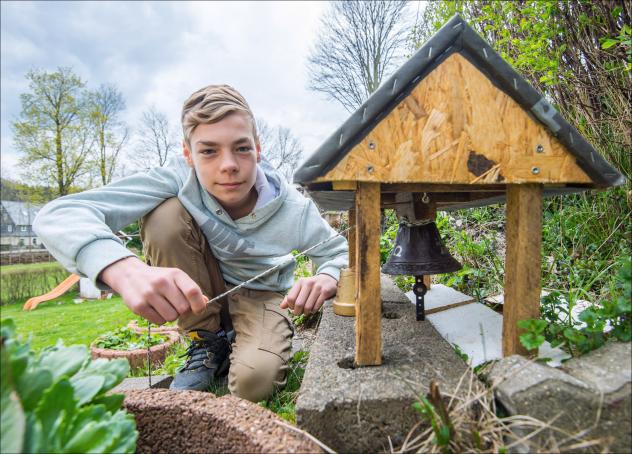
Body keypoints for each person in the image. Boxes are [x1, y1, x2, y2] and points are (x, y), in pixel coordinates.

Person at [33, 84, 348, 402]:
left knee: (256, 383)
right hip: (198, 292)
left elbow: (339, 252)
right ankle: (207, 340)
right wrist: (124, 270)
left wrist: (327, 276)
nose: (228, 165)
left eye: (241, 148)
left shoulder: (293, 207)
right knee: (164, 215)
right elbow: (59, 214)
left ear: (258, 147)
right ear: (189, 155)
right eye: (209, 151)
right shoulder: (176, 177)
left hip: (262, 297)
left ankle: (240, 344)